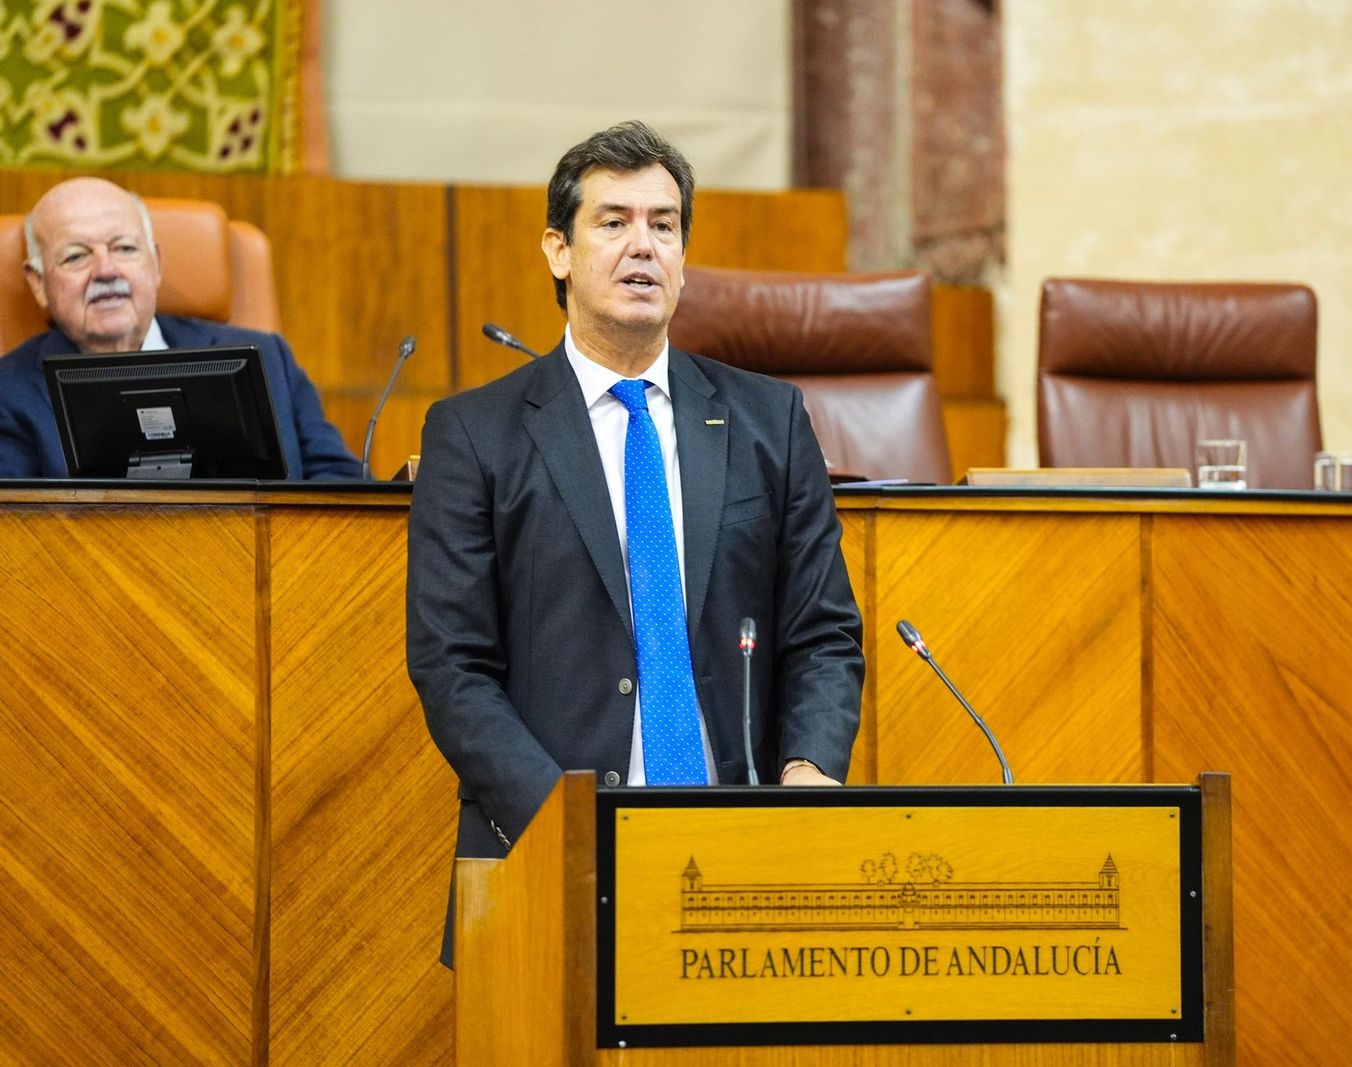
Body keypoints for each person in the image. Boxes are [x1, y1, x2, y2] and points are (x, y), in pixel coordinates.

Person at [407, 121, 864, 961]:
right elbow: (451, 662)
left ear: (685, 256)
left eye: (664, 224)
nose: (642, 246)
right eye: (612, 222)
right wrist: (563, 820)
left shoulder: (769, 420)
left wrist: (808, 769)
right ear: (558, 251)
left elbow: (823, 631)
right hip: (544, 850)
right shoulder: (474, 434)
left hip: (741, 855)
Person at [0, 177, 360, 479]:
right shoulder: (9, 391)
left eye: (124, 248)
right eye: (76, 256)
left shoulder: (269, 359)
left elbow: (340, 489)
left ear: (155, 263)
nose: (106, 271)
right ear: (37, 282)